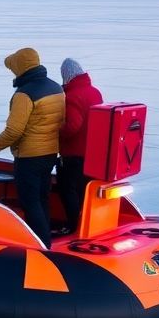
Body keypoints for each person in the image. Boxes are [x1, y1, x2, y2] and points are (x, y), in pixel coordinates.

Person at [0, 48, 65, 248]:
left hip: (29, 156)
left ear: (20, 68)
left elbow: (14, 131)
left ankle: (41, 245)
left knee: (30, 201)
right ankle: (46, 239)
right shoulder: (56, 88)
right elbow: (61, 122)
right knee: (43, 197)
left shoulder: (24, 94)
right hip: (50, 152)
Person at [56, 58, 103, 233]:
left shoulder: (72, 96)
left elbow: (73, 125)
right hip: (91, 152)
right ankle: (88, 225)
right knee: (85, 190)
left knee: (68, 189)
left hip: (74, 152)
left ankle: (73, 226)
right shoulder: (94, 92)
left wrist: (56, 131)